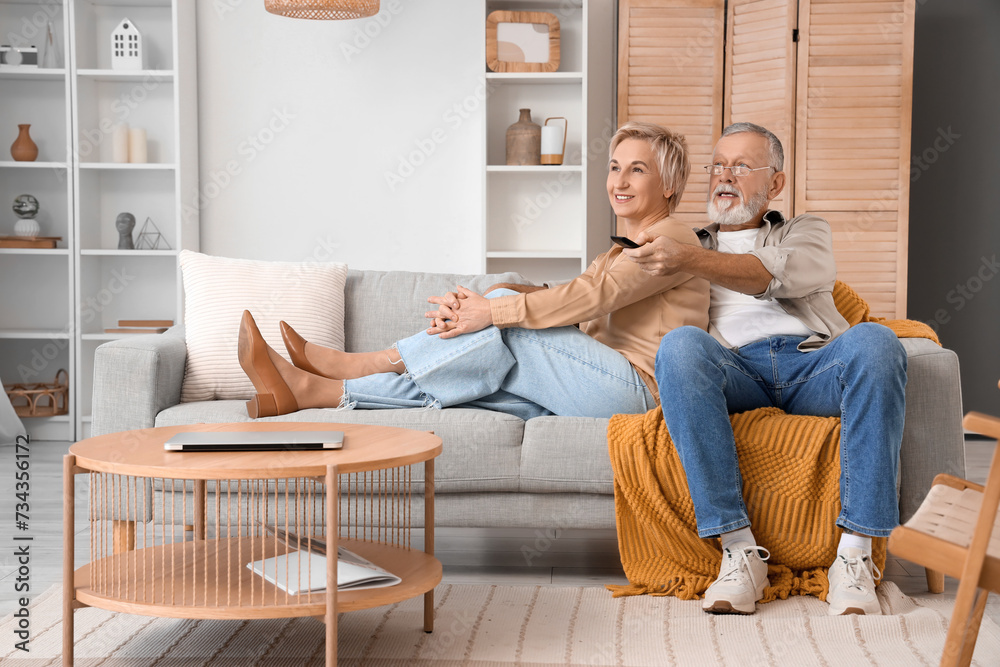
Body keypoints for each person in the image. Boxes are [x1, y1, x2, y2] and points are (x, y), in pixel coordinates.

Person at [237, 121, 710, 421]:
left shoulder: (671, 242)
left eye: (637, 170)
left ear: (669, 184)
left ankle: (367, 360)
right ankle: (311, 391)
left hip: (641, 393)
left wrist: (490, 311)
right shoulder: (622, 249)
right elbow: (581, 297)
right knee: (477, 380)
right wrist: (497, 297)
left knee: (509, 330)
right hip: (598, 382)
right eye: (614, 167)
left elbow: (591, 298)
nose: (619, 181)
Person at [623, 122, 907, 617]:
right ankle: (738, 552)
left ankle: (856, 557)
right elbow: (609, 290)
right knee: (681, 346)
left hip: (812, 363)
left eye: (740, 166)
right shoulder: (683, 238)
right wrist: (524, 297)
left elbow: (770, 274)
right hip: (733, 371)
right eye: (717, 166)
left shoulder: (805, 231)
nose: (723, 176)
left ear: (774, 183)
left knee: (878, 342)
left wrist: (687, 258)